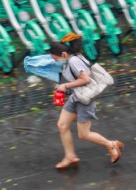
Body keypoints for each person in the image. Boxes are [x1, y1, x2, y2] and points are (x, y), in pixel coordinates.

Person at [50, 33, 124, 170]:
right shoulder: (73, 57)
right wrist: (65, 89)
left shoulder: (73, 61)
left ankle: (111, 144)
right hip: (76, 97)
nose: (55, 61)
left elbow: (86, 80)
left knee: (83, 134)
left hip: (85, 100)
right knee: (62, 125)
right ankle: (70, 156)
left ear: (64, 54)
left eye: (55, 58)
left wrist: (65, 86)